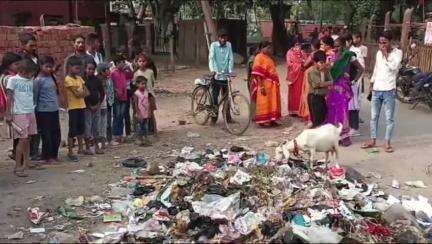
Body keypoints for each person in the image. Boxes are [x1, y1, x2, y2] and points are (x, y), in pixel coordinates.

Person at [362, 31, 402, 153]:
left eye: (384, 42)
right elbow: (376, 69)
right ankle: (373, 140)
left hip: (389, 90)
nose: (382, 45)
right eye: (380, 43)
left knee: (389, 119)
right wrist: (371, 83)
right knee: (374, 117)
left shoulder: (397, 53)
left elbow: (394, 67)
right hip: (377, 89)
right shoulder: (379, 53)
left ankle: (387, 143)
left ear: (390, 42)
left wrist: (386, 55)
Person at [326, 35, 364, 147]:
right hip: (332, 88)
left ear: (343, 45)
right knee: (332, 110)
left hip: (343, 88)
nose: (335, 48)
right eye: (334, 46)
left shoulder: (348, 56)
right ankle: (334, 137)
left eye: (338, 46)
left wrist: (354, 81)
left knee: (342, 111)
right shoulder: (332, 57)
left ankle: (344, 137)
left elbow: (361, 69)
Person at [5, 59, 38, 177]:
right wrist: (8, 114)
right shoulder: (12, 80)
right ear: (23, 71)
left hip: (30, 111)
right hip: (19, 113)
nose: (32, 75)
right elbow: (9, 98)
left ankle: (27, 162)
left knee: (28, 138)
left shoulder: (30, 80)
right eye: (31, 72)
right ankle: (17, 166)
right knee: (22, 140)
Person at [33, 56, 61, 164]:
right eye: (47, 66)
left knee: (56, 134)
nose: (49, 69)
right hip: (43, 111)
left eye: (51, 66)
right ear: (40, 67)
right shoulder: (38, 81)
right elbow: (35, 98)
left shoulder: (51, 77)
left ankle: (54, 154)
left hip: (54, 109)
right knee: (47, 135)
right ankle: (47, 156)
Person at [251, 41, 281, 126]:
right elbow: (257, 73)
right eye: (267, 48)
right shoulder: (258, 57)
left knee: (273, 102)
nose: (269, 49)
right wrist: (261, 86)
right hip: (264, 84)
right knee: (264, 102)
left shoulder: (268, 57)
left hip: (272, 85)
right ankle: (262, 121)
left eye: (270, 48)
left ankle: (272, 120)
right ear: (262, 48)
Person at [64, 56, 89, 162]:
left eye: (79, 69)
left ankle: (80, 148)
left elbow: (87, 92)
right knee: (72, 130)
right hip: (73, 107)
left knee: (81, 128)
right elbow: (78, 94)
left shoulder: (79, 78)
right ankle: (70, 151)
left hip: (81, 106)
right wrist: (82, 93)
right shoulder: (68, 79)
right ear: (70, 67)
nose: (78, 71)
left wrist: (82, 93)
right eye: (76, 68)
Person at [208, 29, 234, 125]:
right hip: (217, 75)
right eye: (222, 37)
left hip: (225, 75)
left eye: (225, 38)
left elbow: (231, 58)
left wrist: (230, 71)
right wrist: (213, 70)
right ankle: (213, 118)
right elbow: (212, 58)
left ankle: (228, 117)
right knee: (215, 97)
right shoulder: (213, 46)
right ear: (218, 38)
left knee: (227, 96)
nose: (224, 39)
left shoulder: (229, 45)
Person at [298, 39, 322, 127]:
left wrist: (301, 61)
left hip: (310, 75)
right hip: (318, 75)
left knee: (309, 95)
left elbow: (305, 65)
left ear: (312, 46)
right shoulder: (322, 53)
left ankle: (310, 117)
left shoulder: (313, 54)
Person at [307, 50, 333, 128]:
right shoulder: (312, 71)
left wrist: (328, 82)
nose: (323, 64)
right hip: (314, 97)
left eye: (324, 62)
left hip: (322, 97)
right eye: (320, 62)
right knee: (317, 122)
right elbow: (319, 84)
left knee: (323, 119)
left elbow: (331, 80)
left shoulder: (326, 70)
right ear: (315, 62)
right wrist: (329, 82)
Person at [83, 61, 104, 155]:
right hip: (87, 107)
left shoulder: (97, 80)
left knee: (96, 127)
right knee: (87, 127)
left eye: (93, 69)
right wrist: (89, 106)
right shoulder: (82, 80)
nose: (91, 71)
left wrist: (98, 104)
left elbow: (102, 93)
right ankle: (87, 148)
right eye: (89, 69)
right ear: (85, 69)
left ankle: (96, 147)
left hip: (97, 106)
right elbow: (83, 95)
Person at [349, 32, 368, 136]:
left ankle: (354, 127)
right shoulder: (344, 52)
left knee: (353, 105)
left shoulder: (356, 52)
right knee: (348, 106)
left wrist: (355, 81)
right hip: (345, 83)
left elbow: (361, 68)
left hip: (354, 83)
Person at [134, 53, 157, 137]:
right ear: (137, 62)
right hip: (140, 96)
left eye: (143, 61)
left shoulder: (150, 72)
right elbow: (134, 84)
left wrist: (149, 92)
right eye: (140, 61)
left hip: (150, 95)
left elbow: (152, 82)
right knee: (140, 113)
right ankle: (140, 132)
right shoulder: (136, 73)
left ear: (146, 62)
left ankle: (153, 131)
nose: (142, 63)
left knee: (151, 112)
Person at [111, 55, 133, 143]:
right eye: (122, 62)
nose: (123, 64)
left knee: (121, 116)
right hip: (117, 98)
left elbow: (131, 76)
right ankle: (116, 135)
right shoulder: (113, 73)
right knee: (117, 116)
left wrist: (129, 68)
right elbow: (111, 84)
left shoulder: (124, 72)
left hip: (124, 97)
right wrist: (116, 91)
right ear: (117, 64)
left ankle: (120, 134)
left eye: (124, 62)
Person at [286, 42, 307, 116]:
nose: (298, 47)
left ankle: (300, 110)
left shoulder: (303, 52)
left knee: (301, 92)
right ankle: (293, 111)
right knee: (293, 93)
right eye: (296, 45)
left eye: (299, 45)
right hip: (293, 76)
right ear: (293, 45)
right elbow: (289, 64)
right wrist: (299, 65)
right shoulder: (289, 52)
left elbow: (306, 61)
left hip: (302, 75)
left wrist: (303, 63)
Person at [133, 76, 153, 146]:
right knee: (139, 126)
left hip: (146, 112)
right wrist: (138, 112)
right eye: (142, 84)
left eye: (145, 84)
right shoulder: (136, 93)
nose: (144, 85)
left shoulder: (147, 92)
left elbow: (149, 102)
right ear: (137, 84)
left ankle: (145, 138)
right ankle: (139, 139)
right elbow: (135, 104)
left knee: (145, 126)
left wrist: (149, 111)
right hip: (140, 113)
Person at [96, 63, 111, 149]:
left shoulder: (106, 79)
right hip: (99, 103)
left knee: (104, 122)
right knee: (98, 123)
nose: (109, 71)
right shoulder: (98, 80)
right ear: (102, 71)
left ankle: (103, 141)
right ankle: (98, 142)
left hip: (104, 103)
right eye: (107, 69)